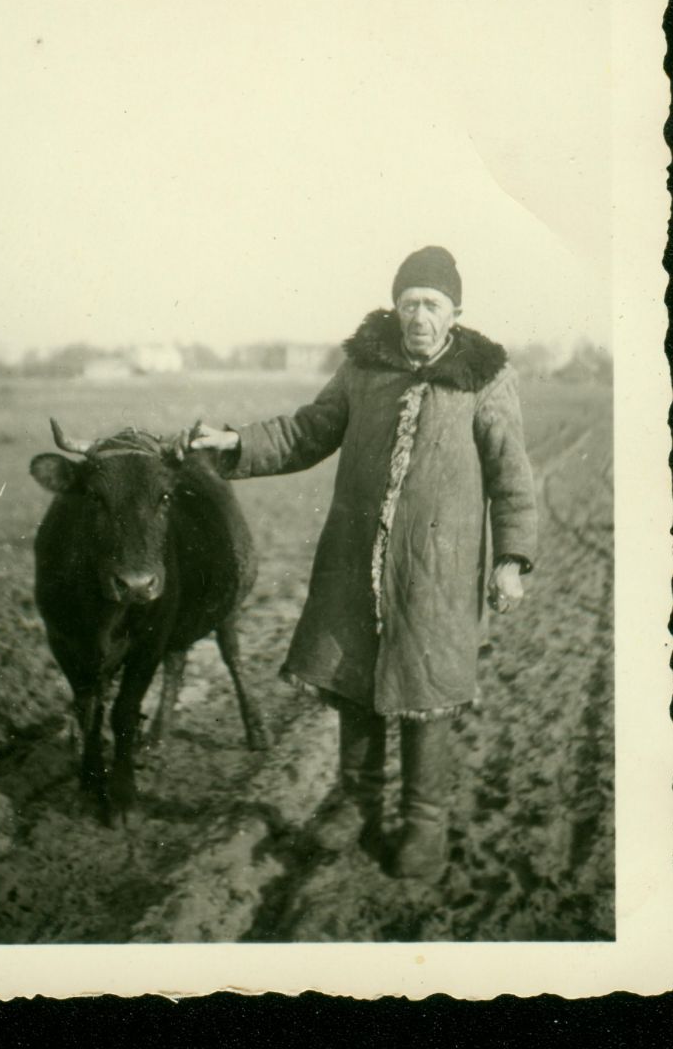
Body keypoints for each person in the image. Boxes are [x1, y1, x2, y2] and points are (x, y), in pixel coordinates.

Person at [176, 246, 537, 880]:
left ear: (456, 311)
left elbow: (511, 474)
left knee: (430, 693)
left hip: (439, 568)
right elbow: (307, 430)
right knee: (355, 683)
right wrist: (237, 442)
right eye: (408, 303)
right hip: (354, 557)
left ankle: (424, 824)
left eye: (431, 303)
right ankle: (357, 806)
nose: (418, 316)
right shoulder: (363, 367)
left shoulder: (484, 377)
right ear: (395, 308)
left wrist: (511, 558)